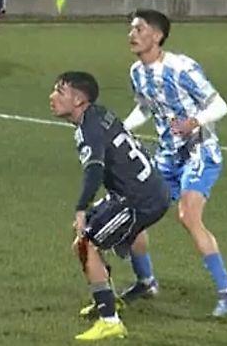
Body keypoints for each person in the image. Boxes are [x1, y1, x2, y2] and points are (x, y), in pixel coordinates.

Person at [118, 9, 227, 318]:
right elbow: (145, 108)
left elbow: (220, 105)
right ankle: (146, 282)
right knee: (133, 214)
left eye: (139, 29)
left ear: (157, 36)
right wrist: (122, 129)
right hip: (167, 157)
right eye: (131, 29)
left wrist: (194, 122)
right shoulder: (137, 72)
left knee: (188, 215)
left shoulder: (182, 68)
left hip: (199, 152)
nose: (132, 35)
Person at [48, 71, 169, 342]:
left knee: (86, 243)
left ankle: (110, 319)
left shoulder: (88, 129)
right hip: (150, 188)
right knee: (112, 231)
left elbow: (94, 170)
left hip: (137, 198)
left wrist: (81, 208)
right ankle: (136, 286)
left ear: (78, 100)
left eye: (60, 91)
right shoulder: (101, 113)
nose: (52, 97)